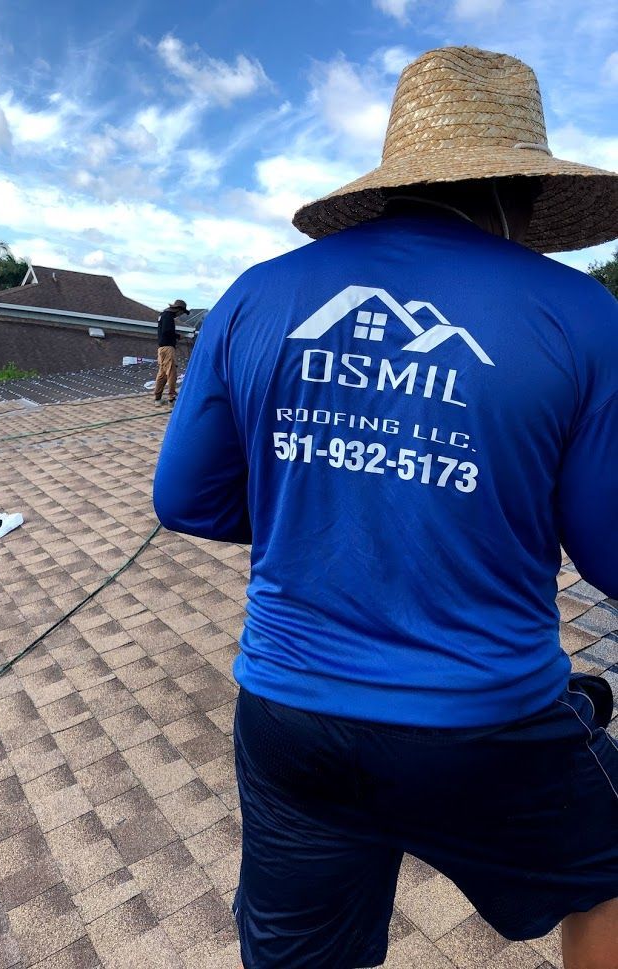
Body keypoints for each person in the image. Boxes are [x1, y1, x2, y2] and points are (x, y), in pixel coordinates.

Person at [154, 46, 618, 969]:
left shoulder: (255, 293)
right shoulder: (582, 315)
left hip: (289, 719)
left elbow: (184, 499)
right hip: (486, 722)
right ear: (523, 188)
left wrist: (328, 495)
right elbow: (606, 555)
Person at [153, 298, 188, 404]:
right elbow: (167, 331)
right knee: (172, 372)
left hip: (161, 348)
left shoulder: (163, 315)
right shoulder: (168, 316)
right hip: (168, 348)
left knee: (162, 373)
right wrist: (178, 336)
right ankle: (171, 398)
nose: (180, 315)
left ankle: (157, 398)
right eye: (181, 312)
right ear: (178, 309)